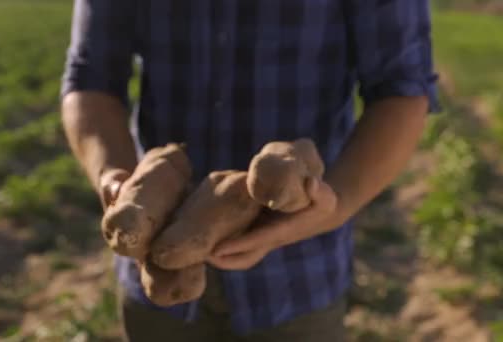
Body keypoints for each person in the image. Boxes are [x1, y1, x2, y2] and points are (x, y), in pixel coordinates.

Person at [60, 1, 440, 341]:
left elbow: (402, 89)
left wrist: (333, 206)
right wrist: (116, 179)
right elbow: (90, 77)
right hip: (154, 263)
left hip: (299, 275)